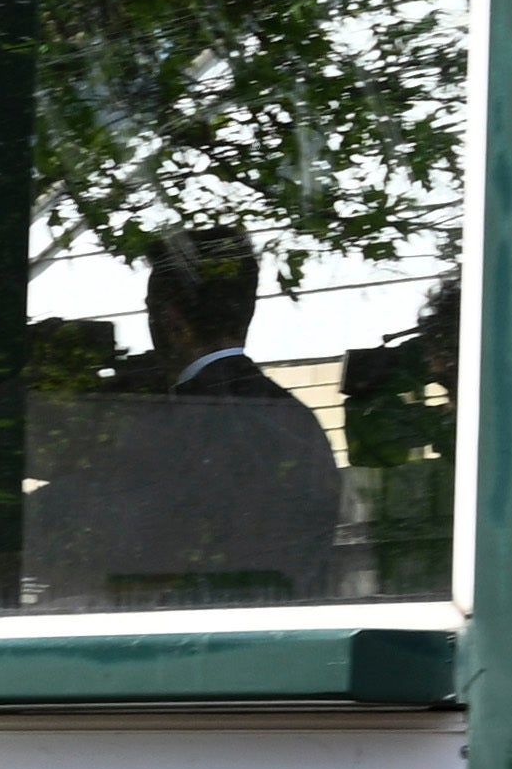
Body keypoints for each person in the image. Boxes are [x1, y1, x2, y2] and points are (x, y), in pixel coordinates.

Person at [23, 227, 348, 609]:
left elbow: (86, 527)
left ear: (172, 321)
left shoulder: (166, 425)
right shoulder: (298, 422)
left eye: (150, 310)